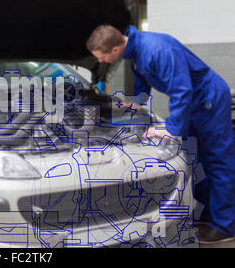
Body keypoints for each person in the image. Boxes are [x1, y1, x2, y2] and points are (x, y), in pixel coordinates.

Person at [86, 24, 235, 244]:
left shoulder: (156, 49)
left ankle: (225, 226)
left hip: (208, 100)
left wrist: (170, 128)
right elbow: (142, 86)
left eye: (101, 57)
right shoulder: (135, 52)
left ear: (115, 50)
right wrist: (128, 107)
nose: (101, 62)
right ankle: (208, 216)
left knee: (218, 160)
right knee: (197, 159)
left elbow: (182, 90)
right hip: (193, 104)